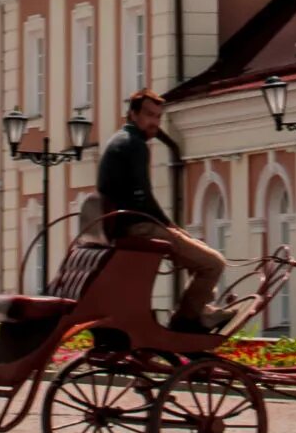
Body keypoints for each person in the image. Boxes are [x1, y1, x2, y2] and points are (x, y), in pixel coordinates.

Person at [94, 90, 234, 334]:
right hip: (138, 226)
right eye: (149, 115)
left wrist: (172, 228)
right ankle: (187, 320)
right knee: (214, 263)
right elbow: (142, 197)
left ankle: (201, 310)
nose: (155, 123)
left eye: (158, 117)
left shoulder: (118, 141)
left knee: (195, 255)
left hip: (123, 224)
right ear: (133, 114)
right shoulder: (135, 145)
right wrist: (170, 226)